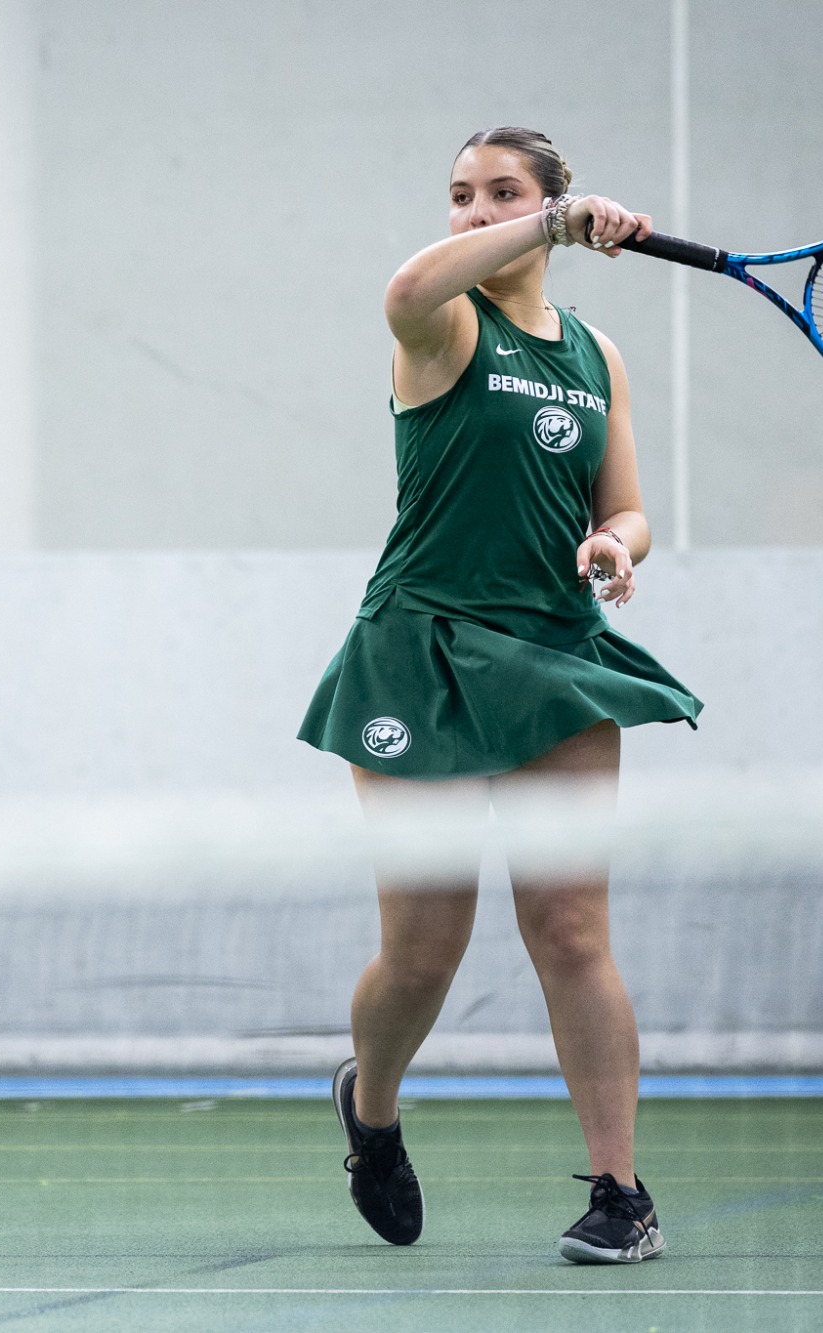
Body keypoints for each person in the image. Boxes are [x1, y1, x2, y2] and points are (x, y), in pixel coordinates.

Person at [296, 126, 703, 1264]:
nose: (475, 212)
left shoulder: (595, 353)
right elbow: (404, 287)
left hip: (551, 653)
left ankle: (621, 1192)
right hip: (417, 653)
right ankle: (372, 1108)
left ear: (548, 200)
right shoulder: (442, 325)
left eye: (503, 193)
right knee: (425, 949)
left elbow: (628, 508)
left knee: (570, 929)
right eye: (461, 195)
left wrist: (616, 547)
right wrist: (553, 223)